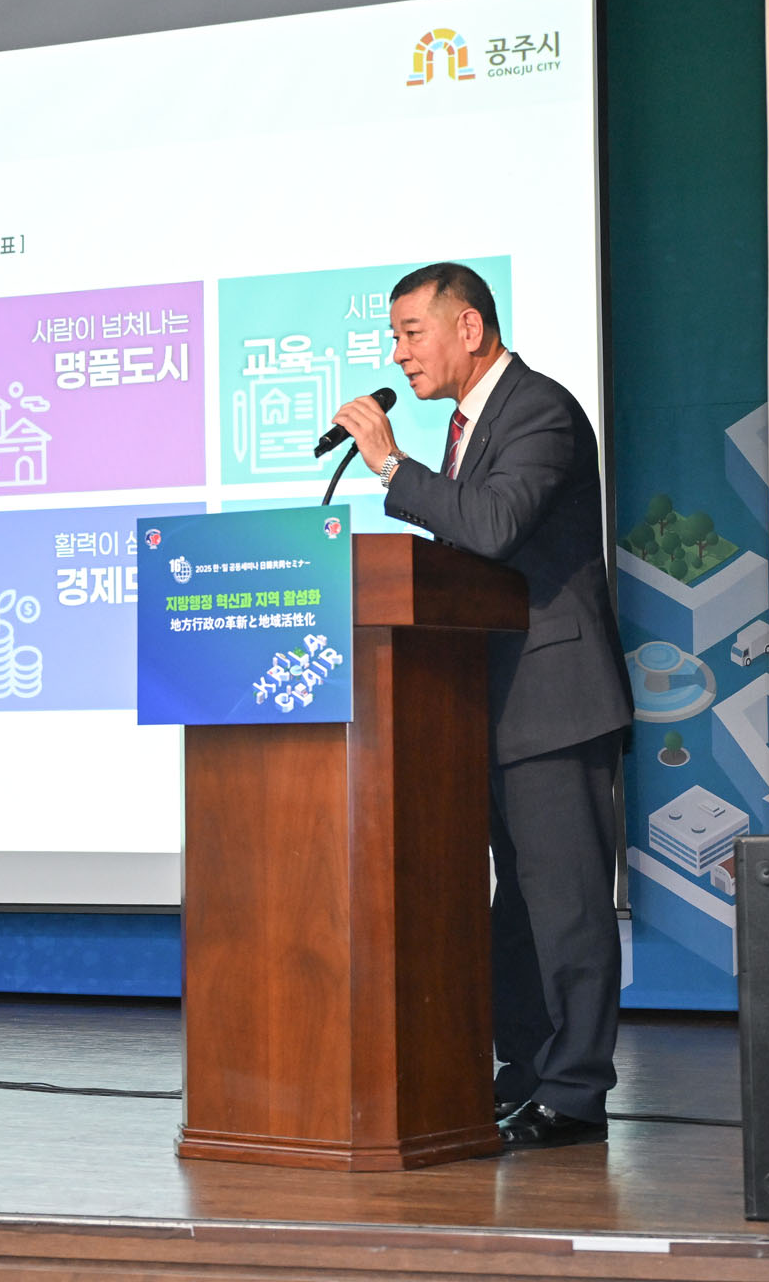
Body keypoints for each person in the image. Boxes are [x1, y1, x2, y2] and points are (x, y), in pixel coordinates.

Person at [329, 262, 633, 1150]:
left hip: (556, 703)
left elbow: (493, 525)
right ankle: (528, 1075)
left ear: (468, 328)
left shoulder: (540, 410)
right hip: (490, 708)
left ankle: (575, 1094)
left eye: (410, 333)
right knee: (519, 916)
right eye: (394, 337)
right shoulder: (472, 426)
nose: (399, 354)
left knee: (569, 908)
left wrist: (391, 466)